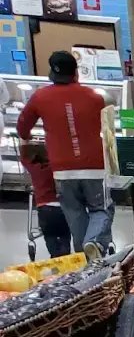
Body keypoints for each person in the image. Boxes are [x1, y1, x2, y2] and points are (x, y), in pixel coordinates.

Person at [15, 52, 112, 257]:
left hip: (62, 170)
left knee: (74, 213)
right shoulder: (94, 97)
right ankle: (94, 242)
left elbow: (22, 128)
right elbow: (109, 119)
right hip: (94, 166)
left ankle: (83, 257)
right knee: (101, 208)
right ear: (76, 73)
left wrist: (30, 140)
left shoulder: (40, 97)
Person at [18, 142, 71, 260]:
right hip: (62, 208)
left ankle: (55, 257)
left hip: (45, 209)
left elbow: (23, 158)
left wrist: (25, 141)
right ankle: (66, 258)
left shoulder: (34, 168)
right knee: (64, 234)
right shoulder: (55, 167)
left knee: (50, 235)